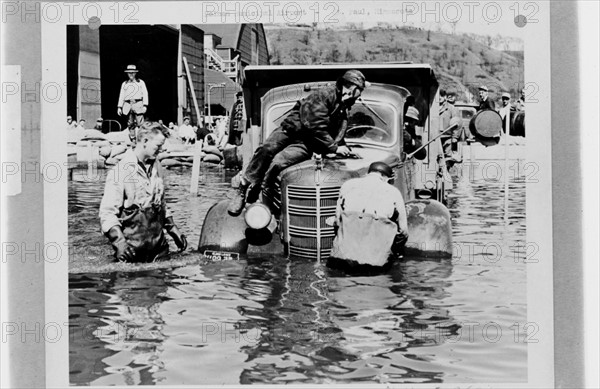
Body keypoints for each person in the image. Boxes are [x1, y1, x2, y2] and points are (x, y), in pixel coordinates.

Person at [228, 70, 367, 216]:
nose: (359, 95)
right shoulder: (325, 95)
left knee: (278, 162)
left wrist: (342, 147)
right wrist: (334, 147)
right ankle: (244, 187)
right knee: (266, 149)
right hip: (290, 130)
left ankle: (262, 193)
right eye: (359, 91)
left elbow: (334, 129)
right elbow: (315, 124)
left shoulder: (344, 104)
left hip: (307, 142)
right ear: (351, 87)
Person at [99, 121, 187, 263]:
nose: (162, 150)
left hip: (159, 250)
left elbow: (161, 203)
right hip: (132, 252)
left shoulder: (157, 166)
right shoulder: (120, 171)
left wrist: (173, 229)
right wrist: (120, 243)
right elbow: (107, 213)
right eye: (158, 146)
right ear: (145, 141)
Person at [330, 161, 409, 267]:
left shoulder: (347, 185)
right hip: (375, 263)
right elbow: (403, 231)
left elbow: (337, 221)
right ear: (387, 178)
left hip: (341, 258)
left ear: (368, 174)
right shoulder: (393, 192)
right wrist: (395, 250)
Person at [117, 64, 149, 143]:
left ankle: (141, 139)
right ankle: (133, 139)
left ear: (135, 73)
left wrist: (145, 105)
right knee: (130, 123)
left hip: (138, 104)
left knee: (140, 123)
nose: (131, 74)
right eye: (129, 73)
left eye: (132, 73)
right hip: (128, 105)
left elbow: (145, 93)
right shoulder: (125, 84)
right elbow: (122, 95)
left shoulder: (140, 82)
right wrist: (119, 107)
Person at [439, 89, 460, 158]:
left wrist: (455, 137)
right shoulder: (433, 108)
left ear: (445, 97)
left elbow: (456, 124)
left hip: (447, 137)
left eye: (441, 95)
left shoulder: (451, 108)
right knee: (437, 156)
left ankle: (447, 168)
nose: (439, 97)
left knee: (448, 156)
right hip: (436, 137)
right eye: (438, 95)